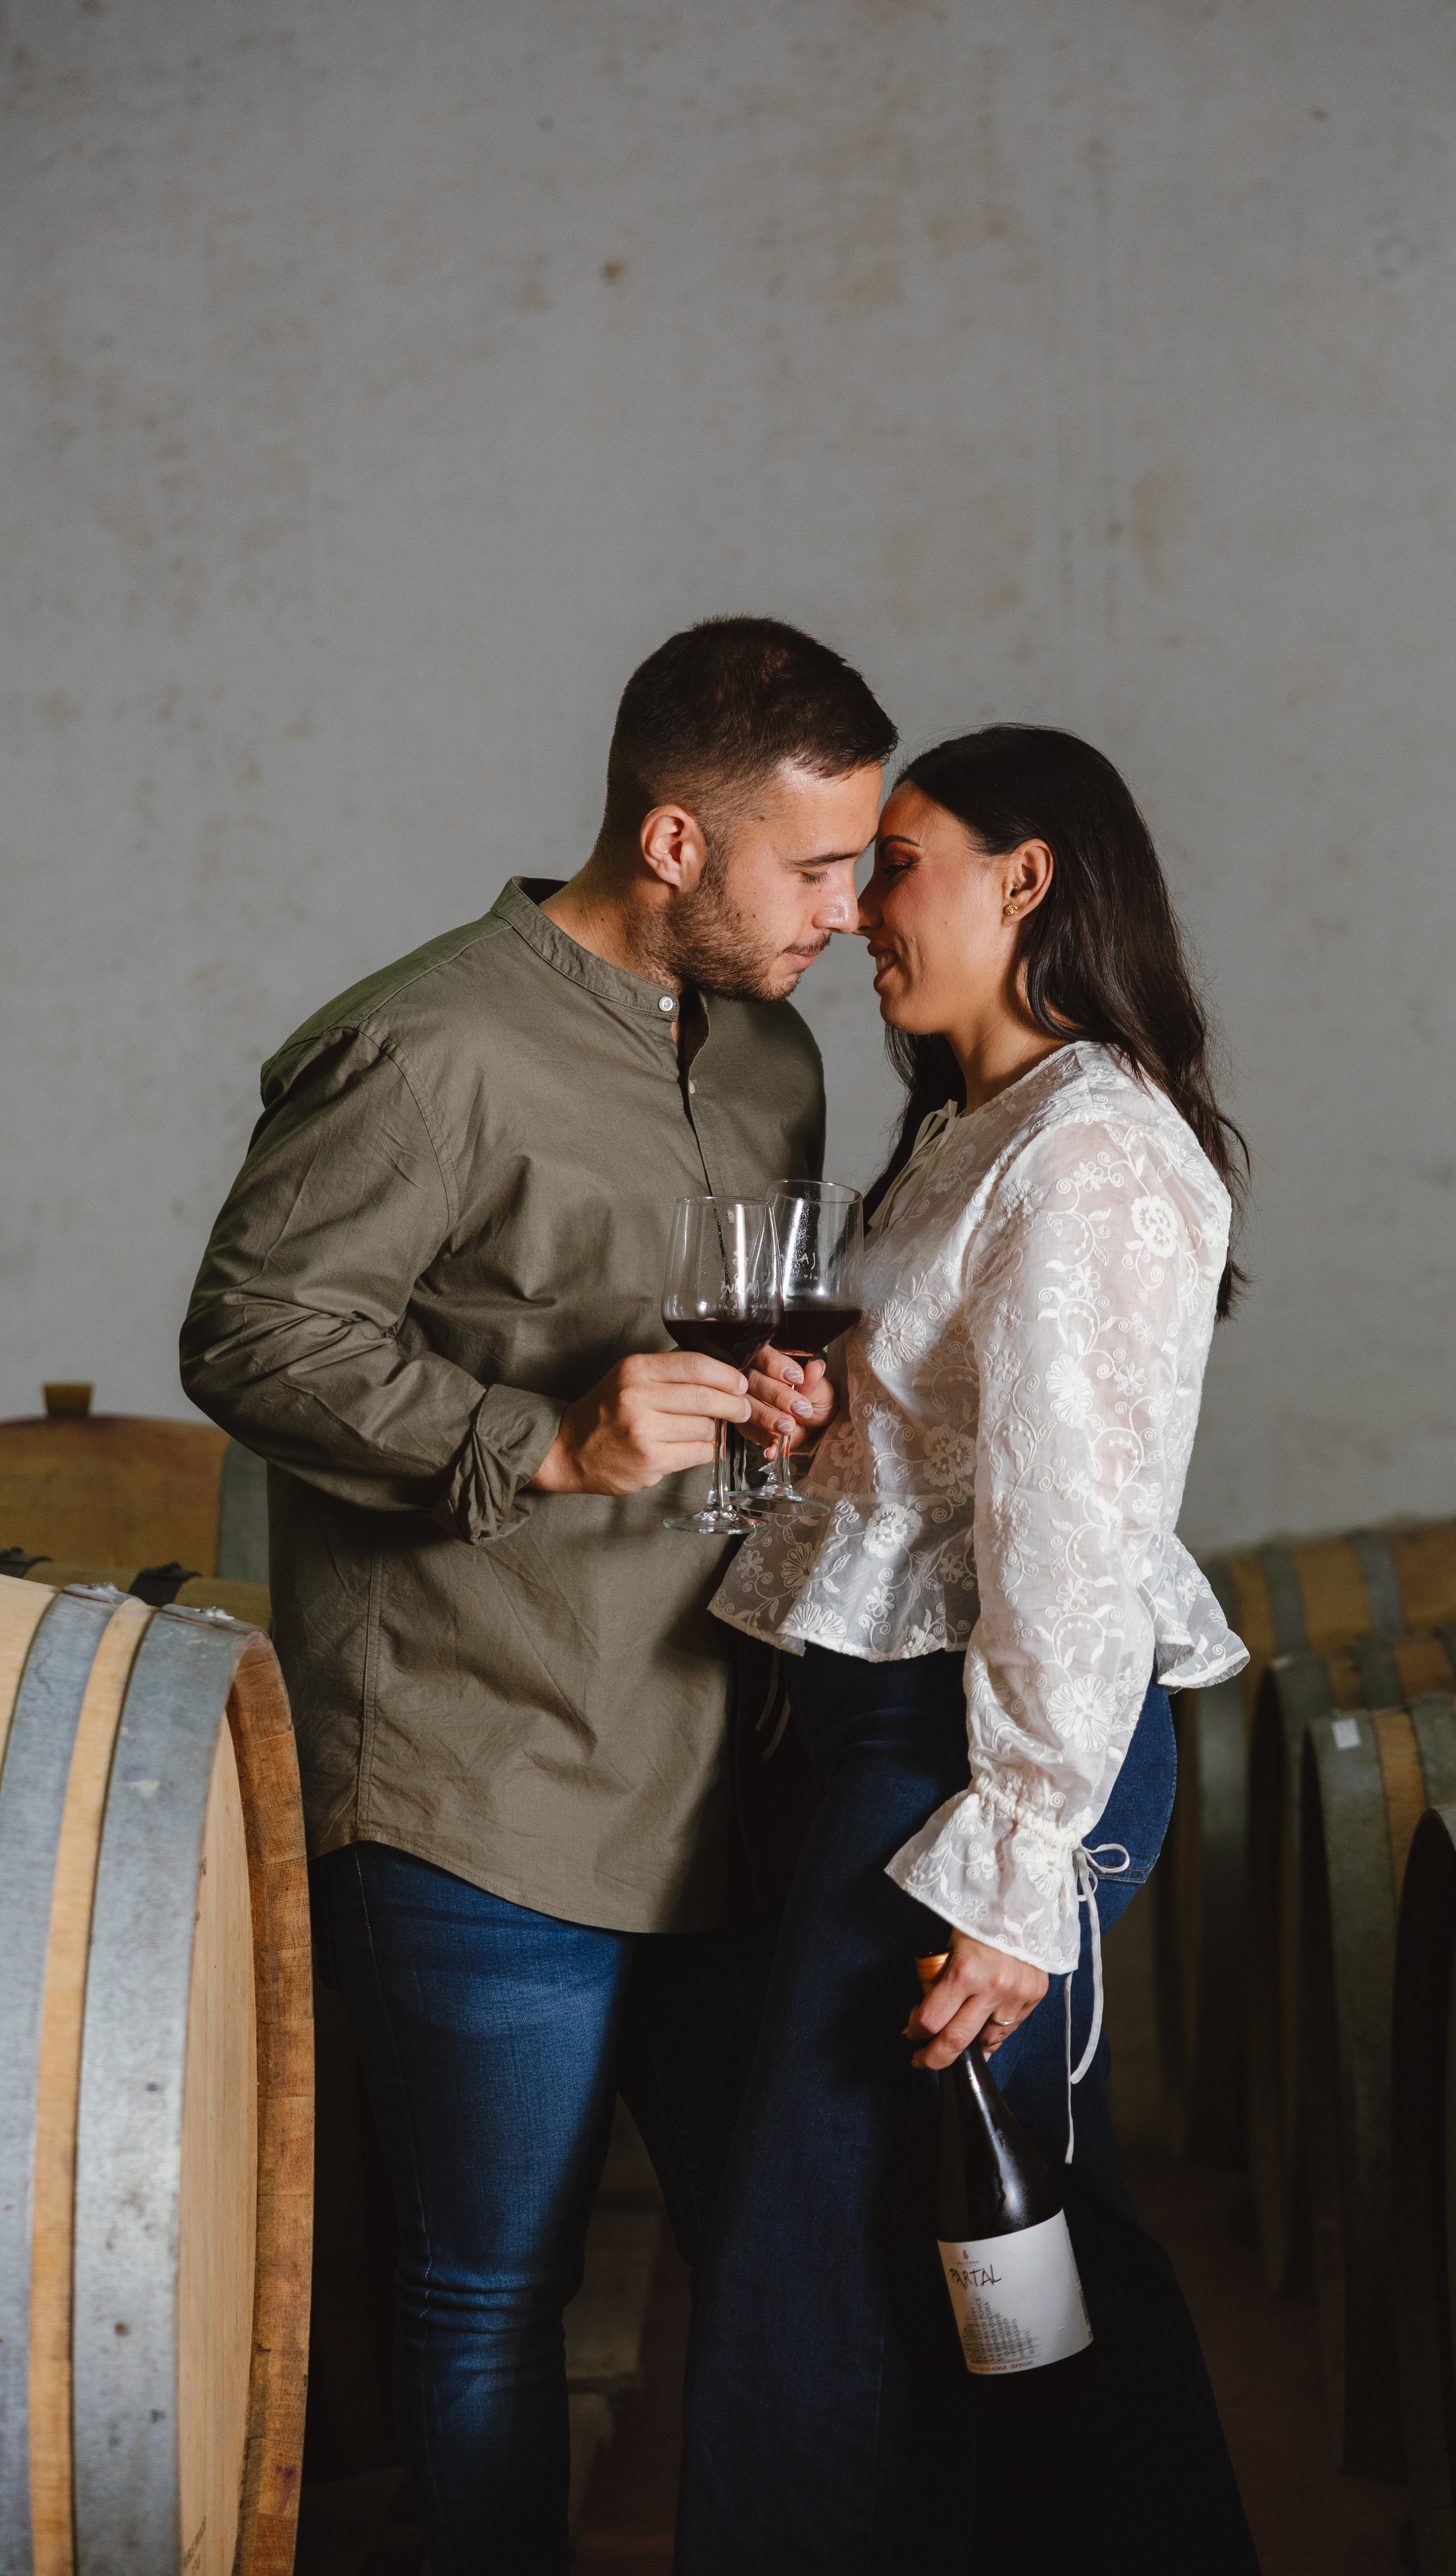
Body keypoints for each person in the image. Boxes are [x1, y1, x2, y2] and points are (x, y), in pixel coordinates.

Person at [180, 616, 896, 2574]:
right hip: (479, 1779)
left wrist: (785, 1401)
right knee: (490, 2291)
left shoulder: (770, 1052)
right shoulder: (426, 1047)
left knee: (782, 2257)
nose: (851, 906)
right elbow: (249, 1335)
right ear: (675, 843)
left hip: (725, 1773)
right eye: (815, 867)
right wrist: (540, 1441)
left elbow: (734, 1348)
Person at [677, 724, 1262, 2573]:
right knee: (991, 2236)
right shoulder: (973, 1129)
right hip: (886, 1726)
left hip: (979, 1747)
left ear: (1031, 880)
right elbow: (946, 1459)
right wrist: (818, 1420)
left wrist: (1017, 1872)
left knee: (822, 2258)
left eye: (900, 862)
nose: (857, 912)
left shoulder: (1090, 1149)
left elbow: (1074, 1541)